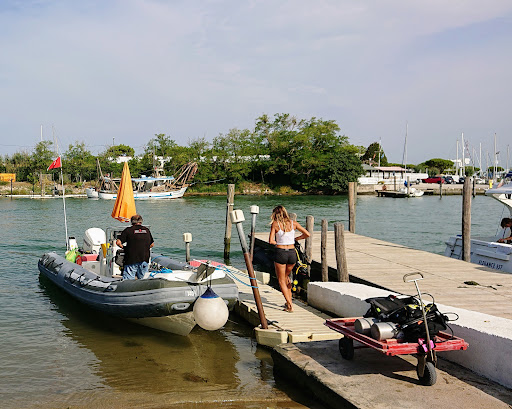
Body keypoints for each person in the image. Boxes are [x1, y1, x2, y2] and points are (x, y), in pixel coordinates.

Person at [269, 205, 310, 312]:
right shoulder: (294, 223)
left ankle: (290, 305)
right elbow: (307, 234)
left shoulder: (275, 224)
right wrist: (296, 238)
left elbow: (271, 241)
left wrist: (279, 243)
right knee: (286, 277)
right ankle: (288, 302)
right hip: (292, 253)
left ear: (275, 214)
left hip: (281, 253)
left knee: (281, 280)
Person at [116, 214, 154, 280]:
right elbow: (152, 244)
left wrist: (124, 248)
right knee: (143, 279)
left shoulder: (128, 230)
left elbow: (118, 242)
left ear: (131, 222)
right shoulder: (146, 230)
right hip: (144, 258)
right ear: (141, 221)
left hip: (131, 259)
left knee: (128, 280)